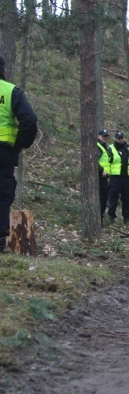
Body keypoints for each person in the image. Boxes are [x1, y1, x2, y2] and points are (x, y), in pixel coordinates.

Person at [0, 57, 37, 251]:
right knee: (2, 193)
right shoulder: (10, 91)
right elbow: (29, 120)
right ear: (3, 70)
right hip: (3, 151)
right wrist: (19, 145)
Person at [106, 131, 129, 225]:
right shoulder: (111, 148)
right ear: (115, 139)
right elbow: (107, 162)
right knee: (113, 198)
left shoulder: (128, 149)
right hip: (115, 177)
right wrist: (107, 172)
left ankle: (126, 218)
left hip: (126, 177)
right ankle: (111, 217)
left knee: (126, 198)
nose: (120, 139)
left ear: (124, 138)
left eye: (122, 138)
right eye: (118, 138)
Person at [97, 129, 113, 222]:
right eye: (103, 136)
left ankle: (100, 219)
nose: (105, 138)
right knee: (101, 199)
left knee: (104, 198)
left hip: (105, 177)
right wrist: (101, 170)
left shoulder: (105, 147)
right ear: (98, 136)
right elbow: (93, 161)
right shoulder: (98, 146)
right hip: (99, 177)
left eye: (106, 136)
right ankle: (99, 220)